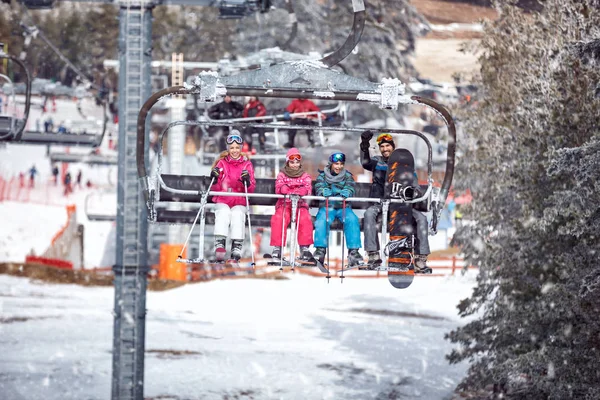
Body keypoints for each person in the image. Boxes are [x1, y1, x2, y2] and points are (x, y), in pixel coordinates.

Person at [360, 130, 431, 271]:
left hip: (401, 205)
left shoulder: (405, 166)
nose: (385, 149)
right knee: (369, 214)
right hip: (381, 202)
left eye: (388, 146)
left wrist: (412, 192)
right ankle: (373, 254)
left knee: (421, 219)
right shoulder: (377, 163)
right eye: (382, 147)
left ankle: (420, 257)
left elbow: (415, 186)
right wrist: (364, 145)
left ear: (393, 146)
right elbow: (365, 162)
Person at [210, 131, 256, 263]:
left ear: (241, 148)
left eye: (237, 148)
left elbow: (251, 188)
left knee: (237, 215)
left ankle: (236, 246)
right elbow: (215, 187)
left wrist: (246, 181)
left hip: (238, 199)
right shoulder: (222, 163)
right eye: (232, 148)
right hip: (224, 198)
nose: (234, 150)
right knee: (223, 212)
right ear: (228, 149)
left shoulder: (246, 165)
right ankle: (220, 245)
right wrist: (215, 178)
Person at [313, 152, 364, 267]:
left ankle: (353, 252)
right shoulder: (322, 176)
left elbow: (350, 186)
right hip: (327, 206)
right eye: (336, 164)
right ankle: (320, 250)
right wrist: (323, 191)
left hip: (343, 207)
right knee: (322, 220)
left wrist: (347, 192)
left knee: (352, 220)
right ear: (331, 164)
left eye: (341, 164)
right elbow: (319, 187)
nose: (339, 167)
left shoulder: (347, 176)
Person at [269, 148, 316, 264]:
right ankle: (278, 247)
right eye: (292, 162)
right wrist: (287, 190)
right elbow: (279, 189)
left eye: (297, 162)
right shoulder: (281, 175)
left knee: (304, 218)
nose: (295, 165)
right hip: (284, 204)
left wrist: (299, 191)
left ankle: (304, 248)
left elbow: (307, 189)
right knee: (279, 218)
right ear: (287, 162)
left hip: (300, 205)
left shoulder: (305, 176)